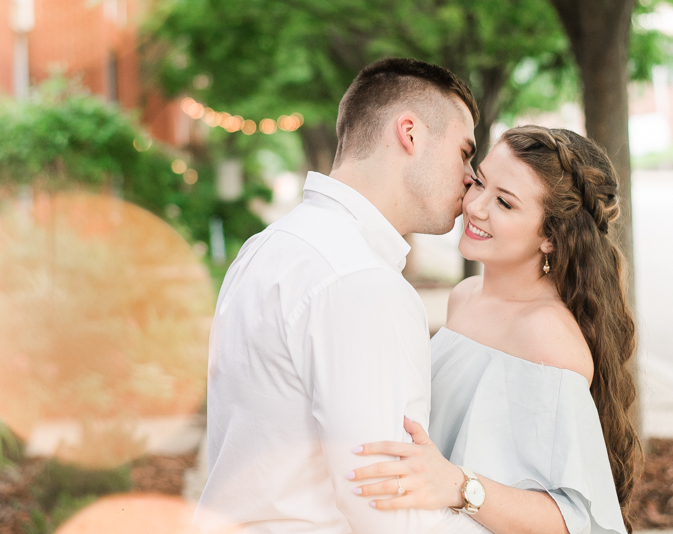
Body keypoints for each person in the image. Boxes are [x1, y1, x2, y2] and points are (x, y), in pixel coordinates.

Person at [194, 57, 490, 533]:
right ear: (410, 134)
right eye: (463, 152)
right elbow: (385, 505)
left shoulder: (267, 247)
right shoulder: (360, 280)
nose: (471, 176)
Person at [347, 126, 642, 534]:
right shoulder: (465, 296)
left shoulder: (546, 335)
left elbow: (572, 519)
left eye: (504, 202)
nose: (476, 206)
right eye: (480, 183)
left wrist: (457, 485)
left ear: (551, 238)